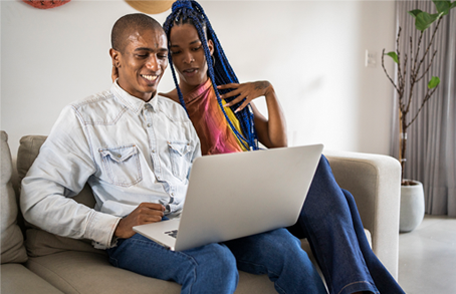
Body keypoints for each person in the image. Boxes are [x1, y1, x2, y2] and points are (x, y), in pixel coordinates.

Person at [21, 13, 327, 294]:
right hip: (136, 237)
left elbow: (200, 180)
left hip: (197, 225)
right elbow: (36, 198)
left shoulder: (177, 114)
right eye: (142, 54)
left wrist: (239, 208)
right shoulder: (84, 117)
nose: (155, 66)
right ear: (116, 57)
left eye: (162, 55)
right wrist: (114, 225)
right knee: (215, 261)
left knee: (287, 247)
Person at [156, 1, 406, 294]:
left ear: (209, 47)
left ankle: (358, 289)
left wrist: (267, 90)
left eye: (195, 47)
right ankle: (361, 289)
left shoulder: (229, 93)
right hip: (228, 209)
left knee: (320, 169)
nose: (187, 59)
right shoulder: (167, 106)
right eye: (176, 52)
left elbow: (277, 143)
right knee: (343, 199)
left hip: (261, 198)